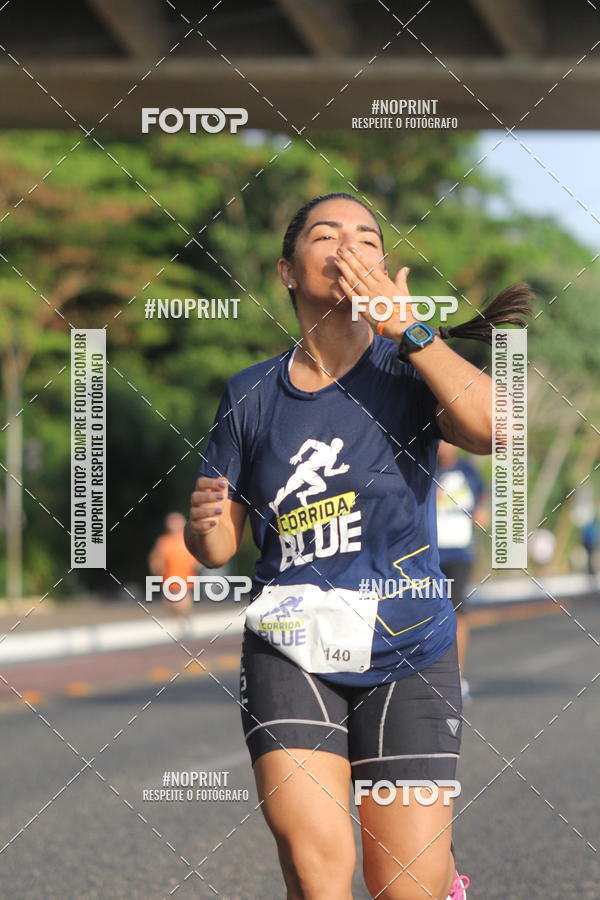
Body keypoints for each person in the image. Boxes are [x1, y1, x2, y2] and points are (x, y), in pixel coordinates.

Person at [185, 193, 532, 900]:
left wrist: (410, 328)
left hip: (409, 644)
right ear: (288, 269)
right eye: (326, 234)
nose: (349, 246)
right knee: (317, 869)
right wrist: (204, 525)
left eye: (368, 239)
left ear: (383, 265)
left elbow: (500, 429)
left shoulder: (409, 369)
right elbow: (218, 543)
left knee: (408, 886)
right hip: (289, 646)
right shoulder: (249, 394)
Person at [435, 442, 488, 703]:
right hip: (427, 554)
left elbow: (482, 505)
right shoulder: (423, 469)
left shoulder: (468, 471)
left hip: (458, 553)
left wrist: (481, 514)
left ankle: (456, 676)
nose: (443, 446)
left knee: (457, 613)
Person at [148, 512, 200, 638]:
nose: (173, 525)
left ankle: (185, 623)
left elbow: (197, 559)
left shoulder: (189, 540)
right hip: (169, 579)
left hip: (185, 579)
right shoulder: (164, 542)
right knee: (170, 605)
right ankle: (179, 625)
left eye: (176, 522)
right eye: (171, 522)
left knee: (183, 604)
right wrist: (156, 567)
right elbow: (156, 558)